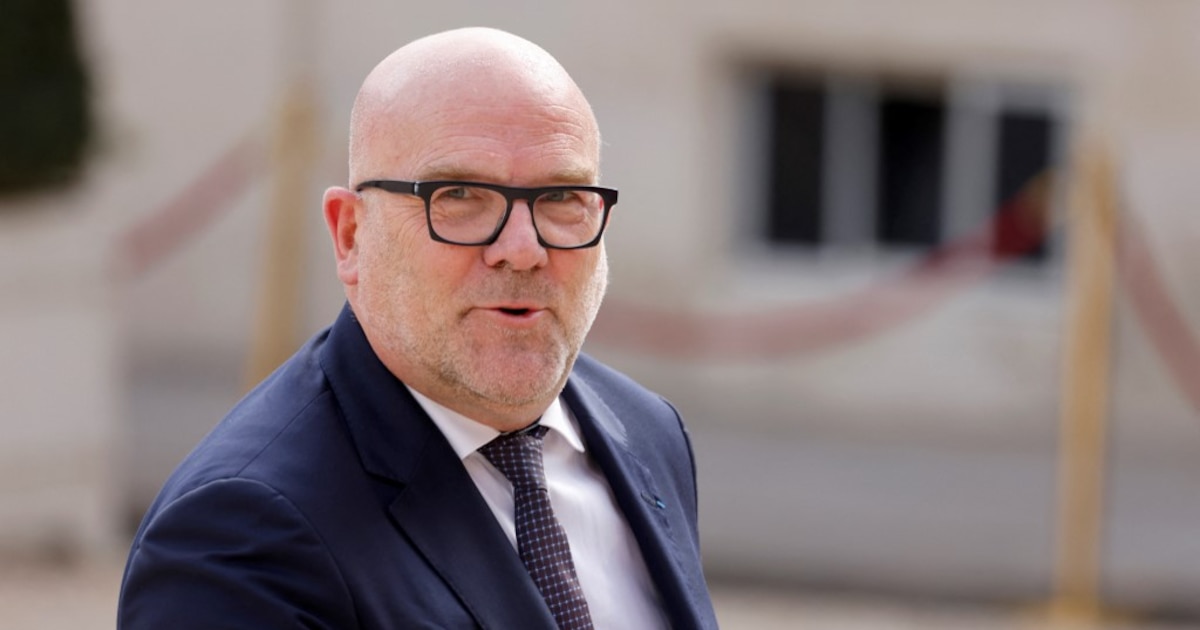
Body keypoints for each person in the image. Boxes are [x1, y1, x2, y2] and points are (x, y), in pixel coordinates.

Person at [117, 26, 718, 629]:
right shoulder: (237, 536)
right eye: (458, 194)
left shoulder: (646, 431)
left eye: (561, 196)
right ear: (351, 235)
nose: (522, 248)